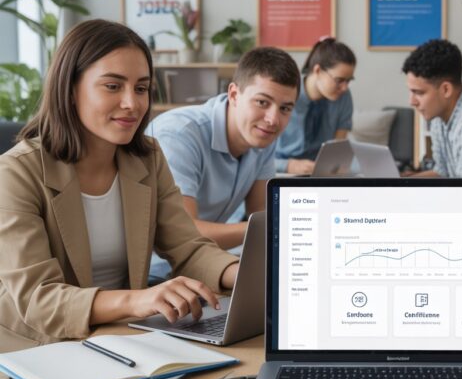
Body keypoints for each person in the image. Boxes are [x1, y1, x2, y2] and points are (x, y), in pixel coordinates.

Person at [0, 19, 239, 352]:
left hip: (121, 339)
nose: (132, 103)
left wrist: (243, 275)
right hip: (38, 347)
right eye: (113, 86)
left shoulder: (148, 158)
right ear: (70, 89)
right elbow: (39, 298)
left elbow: (189, 248)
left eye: (141, 88)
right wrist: (139, 300)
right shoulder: (16, 172)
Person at [146, 47, 300, 250]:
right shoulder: (179, 134)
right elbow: (182, 234)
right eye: (262, 102)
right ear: (234, 94)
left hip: (209, 260)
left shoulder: (262, 137)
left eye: (285, 108)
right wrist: (271, 227)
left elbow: (260, 211)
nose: (273, 119)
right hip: (159, 271)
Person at [402, 39, 462, 177]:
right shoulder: (439, 116)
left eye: (419, 93)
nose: (412, 101)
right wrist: (399, 182)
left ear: (446, 89)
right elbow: (442, 173)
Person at [275, 37, 356, 174]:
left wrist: (333, 168)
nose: (344, 88)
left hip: (320, 172)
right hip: (282, 171)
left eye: (348, 81)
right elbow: (256, 158)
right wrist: (288, 166)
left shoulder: (344, 97)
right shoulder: (284, 93)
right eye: (339, 80)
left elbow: (337, 150)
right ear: (317, 70)